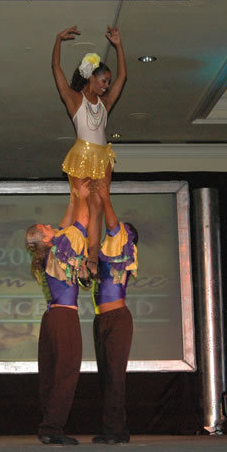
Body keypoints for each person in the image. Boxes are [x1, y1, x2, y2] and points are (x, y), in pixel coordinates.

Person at [52, 25, 127, 280]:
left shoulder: (104, 104)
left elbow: (122, 79)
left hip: (103, 157)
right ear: (91, 78)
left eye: (108, 81)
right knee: (82, 205)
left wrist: (118, 46)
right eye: (103, 80)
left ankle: (93, 258)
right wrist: (58, 41)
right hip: (82, 154)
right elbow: (57, 71)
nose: (107, 85)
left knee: (98, 205)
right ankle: (72, 251)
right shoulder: (75, 100)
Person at [25, 182, 90, 445]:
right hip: (64, 317)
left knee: (51, 374)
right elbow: (81, 220)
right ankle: (53, 427)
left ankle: (48, 426)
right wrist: (84, 198)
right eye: (47, 228)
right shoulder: (61, 248)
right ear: (45, 238)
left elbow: (67, 220)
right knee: (66, 371)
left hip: (50, 318)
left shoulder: (48, 252)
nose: (52, 226)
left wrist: (75, 192)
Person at [91, 180, 138, 444]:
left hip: (118, 319)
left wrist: (106, 199)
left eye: (122, 231)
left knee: (115, 376)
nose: (116, 232)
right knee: (106, 377)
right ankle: (115, 430)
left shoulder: (126, 250)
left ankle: (115, 431)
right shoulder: (106, 257)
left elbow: (112, 226)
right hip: (101, 318)